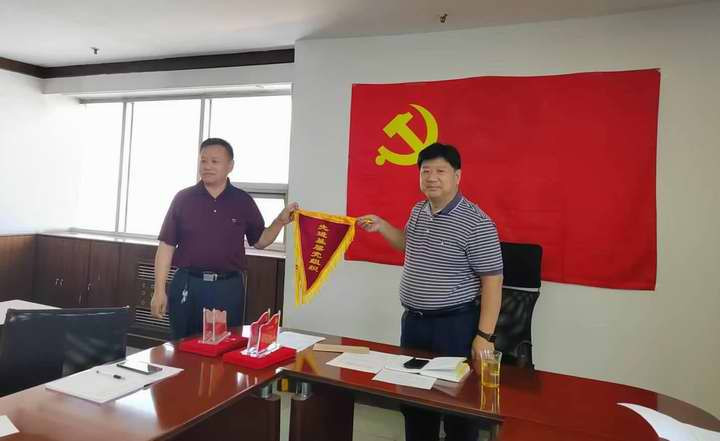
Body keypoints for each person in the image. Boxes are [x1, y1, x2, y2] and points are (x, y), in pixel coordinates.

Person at [358, 142, 503, 441]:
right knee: (414, 402)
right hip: (415, 324)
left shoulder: (477, 223)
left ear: (457, 176)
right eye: (426, 171)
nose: (432, 178)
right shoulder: (419, 210)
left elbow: (492, 280)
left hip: (455, 326)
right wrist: (383, 226)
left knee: (457, 406)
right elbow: (407, 244)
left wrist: (484, 336)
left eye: (440, 171)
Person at [150, 137, 297, 339]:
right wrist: (159, 290)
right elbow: (166, 246)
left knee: (225, 344)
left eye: (214, 161)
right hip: (188, 284)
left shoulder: (242, 201)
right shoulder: (183, 199)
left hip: (227, 287)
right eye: (203, 161)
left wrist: (279, 222)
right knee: (182, 346)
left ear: (230, 166)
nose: (207, 166)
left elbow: (260, 241)